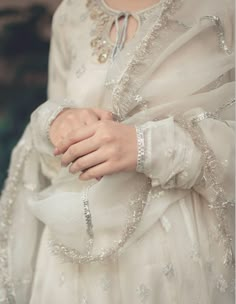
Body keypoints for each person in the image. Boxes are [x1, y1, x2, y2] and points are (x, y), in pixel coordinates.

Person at [0, 0, 235, 303]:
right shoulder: (72, 13)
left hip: (178, 261)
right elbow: (52, 164)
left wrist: (146, 146)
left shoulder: (224, 8)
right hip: (72, 260)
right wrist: (57, 123)